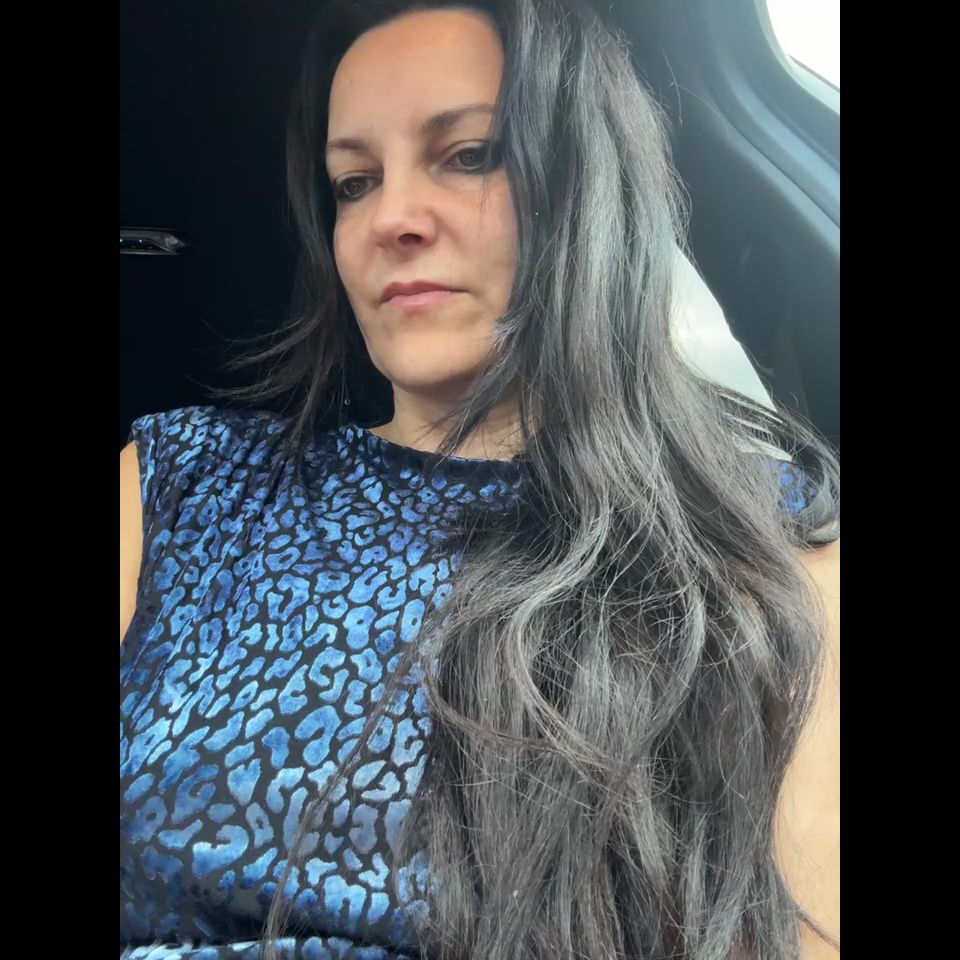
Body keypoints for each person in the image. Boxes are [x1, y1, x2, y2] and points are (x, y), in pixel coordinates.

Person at [119, 2, 840, 958]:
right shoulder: (181, 482)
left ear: (583, 188)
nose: (391, 219)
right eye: (354, 183)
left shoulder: (762, 541)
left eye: (468, 156)